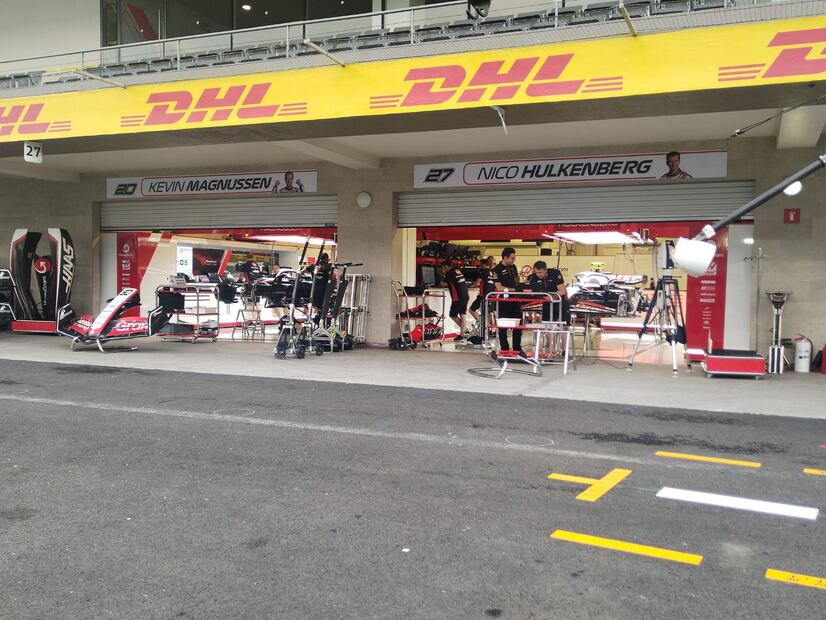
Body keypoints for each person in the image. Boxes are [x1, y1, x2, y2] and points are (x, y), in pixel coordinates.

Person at [492, 247, 523, 355]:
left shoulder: (513, 267)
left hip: (515, 300)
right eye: (512, 258)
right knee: (503, 327)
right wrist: (514, 289)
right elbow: (499, 287)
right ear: (505, 257)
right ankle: (504, 349)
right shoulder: (497, 270)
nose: (514, 260)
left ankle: (517, 349)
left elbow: (516, 279)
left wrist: (519, 287)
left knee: (518, 325)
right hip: (503, 302)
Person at [441, 259, 469, 342]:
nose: (443, 269)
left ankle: (464, 332)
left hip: (458, 297)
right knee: (462, 314)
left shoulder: (449, 273)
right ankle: (464, 332)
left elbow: (442, 284)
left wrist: (443, 277)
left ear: (446, 266)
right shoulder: (458, 271)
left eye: (443, 267)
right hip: (465, 295)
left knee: (453, 315)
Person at [469, 256, 495, 328]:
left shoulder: (483, 272)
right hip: (491, 295)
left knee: (471, 310)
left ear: (483, 264)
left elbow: (476, 283)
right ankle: (491, 328)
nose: (480, 266)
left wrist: (468, 286)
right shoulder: (492, 273)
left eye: (480, 265)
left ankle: (483, 325)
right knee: (490, 313)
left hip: (482, 296)